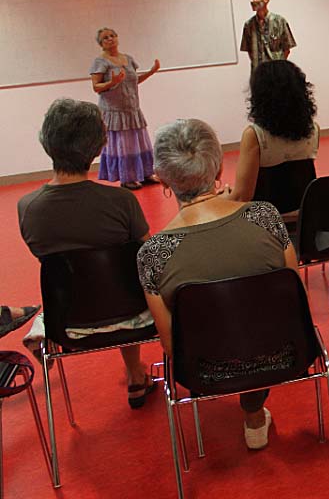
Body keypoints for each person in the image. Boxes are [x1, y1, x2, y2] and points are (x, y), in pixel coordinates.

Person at [137, 119, 296, 450]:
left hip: (204, 369)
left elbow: (172, 347)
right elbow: (295, 304)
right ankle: (253, 413)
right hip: (283, 353)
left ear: (162, 178)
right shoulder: (266, 216)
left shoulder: (152, 254)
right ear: (220, 164)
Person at [18, 98, 156, 408]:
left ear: (47, 143)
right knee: (121, 280)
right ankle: (135, 373)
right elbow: (147, 255)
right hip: (134, 314)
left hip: (66, 321)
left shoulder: (28, 208)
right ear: (98, 147)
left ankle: (134, 372)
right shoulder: (122, 202)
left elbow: (47, 258)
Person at [227, 59, 319, 212]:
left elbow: (242, 197)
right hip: (303, 216)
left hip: (266, 222)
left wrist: (217, 199)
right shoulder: (314, 130)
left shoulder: (255, 135)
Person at [89, 27, 161, 191]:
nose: (110, 39)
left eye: (113, 35)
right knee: (125, 145)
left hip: (132, 108)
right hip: (115, 111)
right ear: (101, 44)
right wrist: (111, 83)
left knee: (140, 142)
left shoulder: (128, 59)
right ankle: (127, 178)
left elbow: (134, 81)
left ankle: (146, 174)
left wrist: (151, 72)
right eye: (106, 37)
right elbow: (96, 87)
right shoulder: (100, 61)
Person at [240, 0, 296, 72]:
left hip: (277, 73)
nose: (252, 1)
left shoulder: (280, 21)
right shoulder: (248, 25)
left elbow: (287, 48)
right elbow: (249, 50)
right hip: (258, 73)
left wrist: (278, 66)